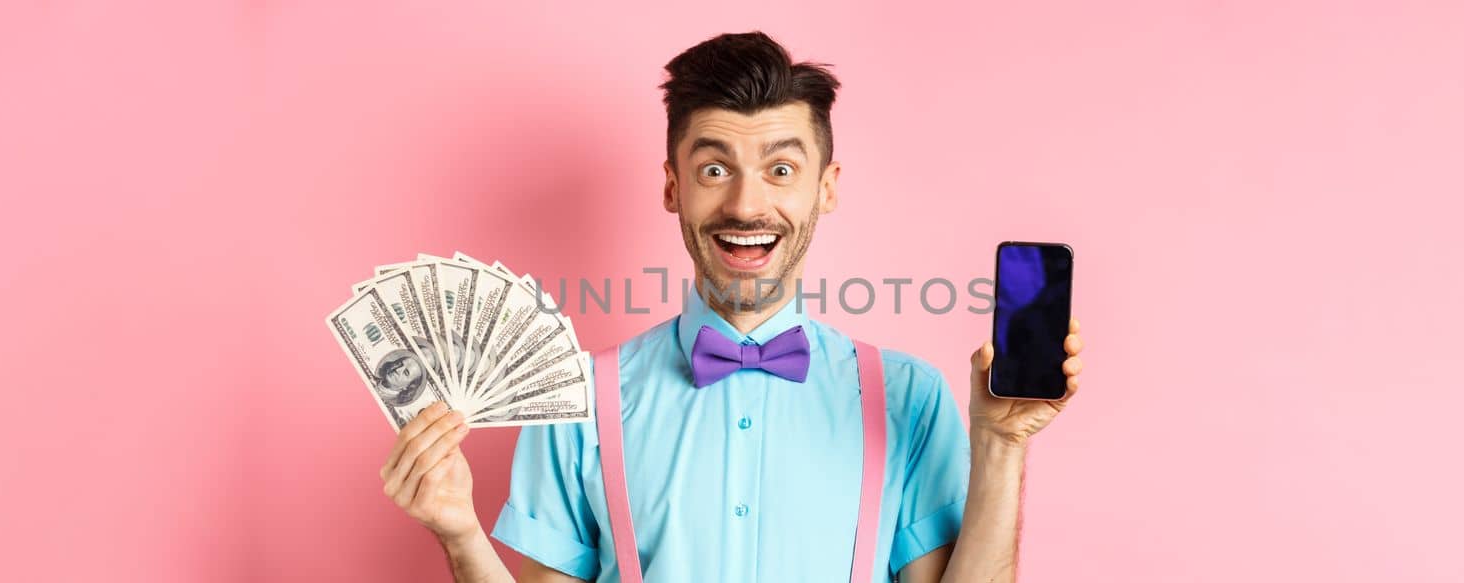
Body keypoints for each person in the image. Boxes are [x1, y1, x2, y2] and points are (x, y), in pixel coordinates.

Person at [376, 31, 1085, 583]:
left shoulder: (910, 396)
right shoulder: (576, 402)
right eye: (715, 169)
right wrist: (460, 533)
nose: (747, 204)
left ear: (826, 187)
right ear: (672, 185)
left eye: (781, 169)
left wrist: (1001, 445)